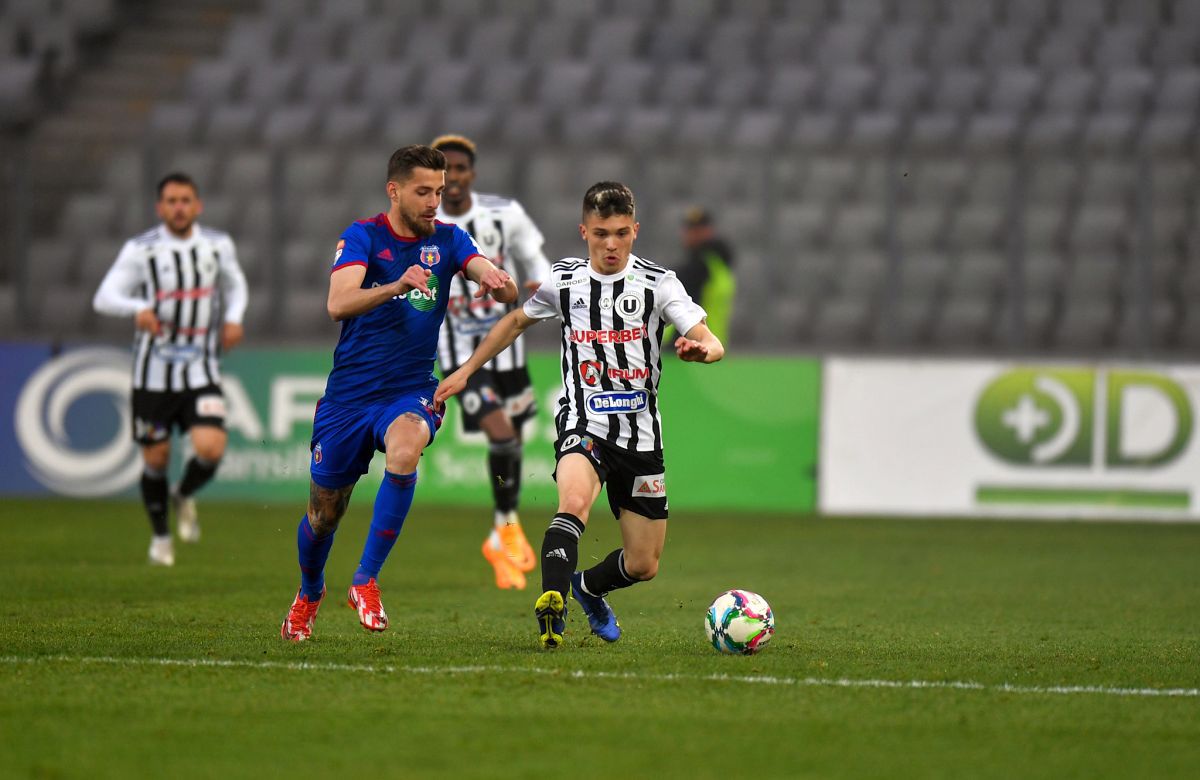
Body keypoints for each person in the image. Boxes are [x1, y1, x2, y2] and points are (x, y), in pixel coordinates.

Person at [436, 182, 725, 650]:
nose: (611, 245)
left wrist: (702, 350)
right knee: (572, 502)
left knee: (644, 564)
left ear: (634, 231)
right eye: (600, 234)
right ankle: (553, 602)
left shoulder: (658, 284)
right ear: (584, 232)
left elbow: (711, 340)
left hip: (641, 436)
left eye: (620, 234)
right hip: (583, 420)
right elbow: (515, 321)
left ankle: (586, 587)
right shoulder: (564, 281)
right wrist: (467, 370)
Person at [280, 144, 516, 642]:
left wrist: (497, 281)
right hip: (348, 398)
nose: (434, 202)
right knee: (323, 517)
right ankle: (309, 593)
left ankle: (365, 580)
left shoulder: (449, 240)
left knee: (406, 449)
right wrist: (396, 285)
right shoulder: (363, 236)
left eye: (440, 191)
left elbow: (489, 277)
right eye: (423, 192)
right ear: (394, 190)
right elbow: (338, 303)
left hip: (410, 391)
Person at [93, 172, 248, 567]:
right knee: (156, 458)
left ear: (198, 206)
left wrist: (234, 317)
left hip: (201, 368)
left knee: (211, 448)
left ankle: (183, 493)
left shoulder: (216, 245)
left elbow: (236, 285)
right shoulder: (141, 250)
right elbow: (105, 296)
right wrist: (137, 308)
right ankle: (161, 538)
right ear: (160, 208)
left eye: (185, 200)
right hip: (153, 373)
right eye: (171, 201)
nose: (179, 208)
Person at [430, 133, 551, 591]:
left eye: (460, 169)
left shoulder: (504, 213)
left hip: (508, 348)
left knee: (511, 442)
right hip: (458, 353)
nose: (453, 178)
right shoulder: (427, 222)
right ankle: (504, 526)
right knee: (501, 434)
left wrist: (538, 279)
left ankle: (501, 532)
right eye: (446, 171)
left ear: (471, 174)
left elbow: (532, 256)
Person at [675, 206, 736, 344]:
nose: (693, 235)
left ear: (709, 232)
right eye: (690, 230)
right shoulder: (718, 265)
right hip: (713, 343)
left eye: (698, 230)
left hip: (691, 344)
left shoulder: (699, 268)